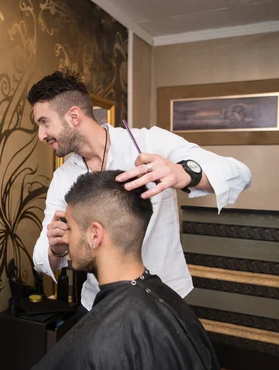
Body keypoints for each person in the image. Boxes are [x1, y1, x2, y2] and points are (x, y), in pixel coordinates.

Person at [29, 70, 252, 313]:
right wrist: (56, 248)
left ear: (73, 116)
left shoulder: (150, 142)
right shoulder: (63, 177)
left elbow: (239, 173)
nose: (41, 135)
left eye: (44, 122)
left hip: (162, 298)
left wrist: (182, 173)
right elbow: (42, 257)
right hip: (98, 303)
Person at [3, 171, 229, 370]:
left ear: (94, 235)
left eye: (69, 227)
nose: (65, 238)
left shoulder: (105, 345)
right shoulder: (169, 300)